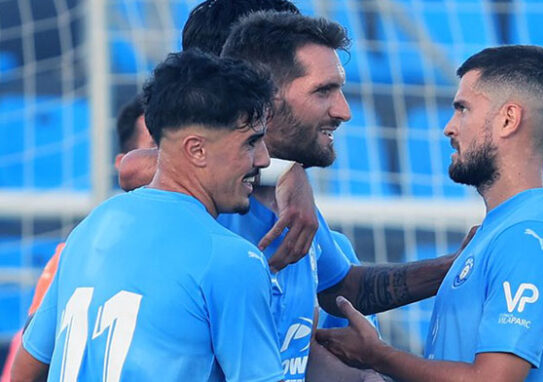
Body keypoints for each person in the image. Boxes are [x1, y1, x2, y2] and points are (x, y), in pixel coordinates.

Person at [119, 6, 466, 381]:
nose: (345, 111)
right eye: (323, 91)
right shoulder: (203, 205)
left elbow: (343, 289)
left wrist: (458, 267)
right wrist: (285, 171)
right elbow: (133, 166)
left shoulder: (303, 218)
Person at [316, 45, 543, 382]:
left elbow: (491, 380)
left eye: (462, 109)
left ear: (508, 119)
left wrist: (379, 356)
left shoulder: (533, 236)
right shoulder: (497, 232)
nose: (449, 127)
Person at [11, 49, 284, 381]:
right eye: (251, 142)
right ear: (196, 149)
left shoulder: (92, 226)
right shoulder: (230, 258)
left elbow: (25, 369)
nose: (264, 160)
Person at [0, 95, 155, 382]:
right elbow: (20, 371)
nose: (169, 165)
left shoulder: (221, 246)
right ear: (124, 165)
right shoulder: (74, 252)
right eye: (154, 149)